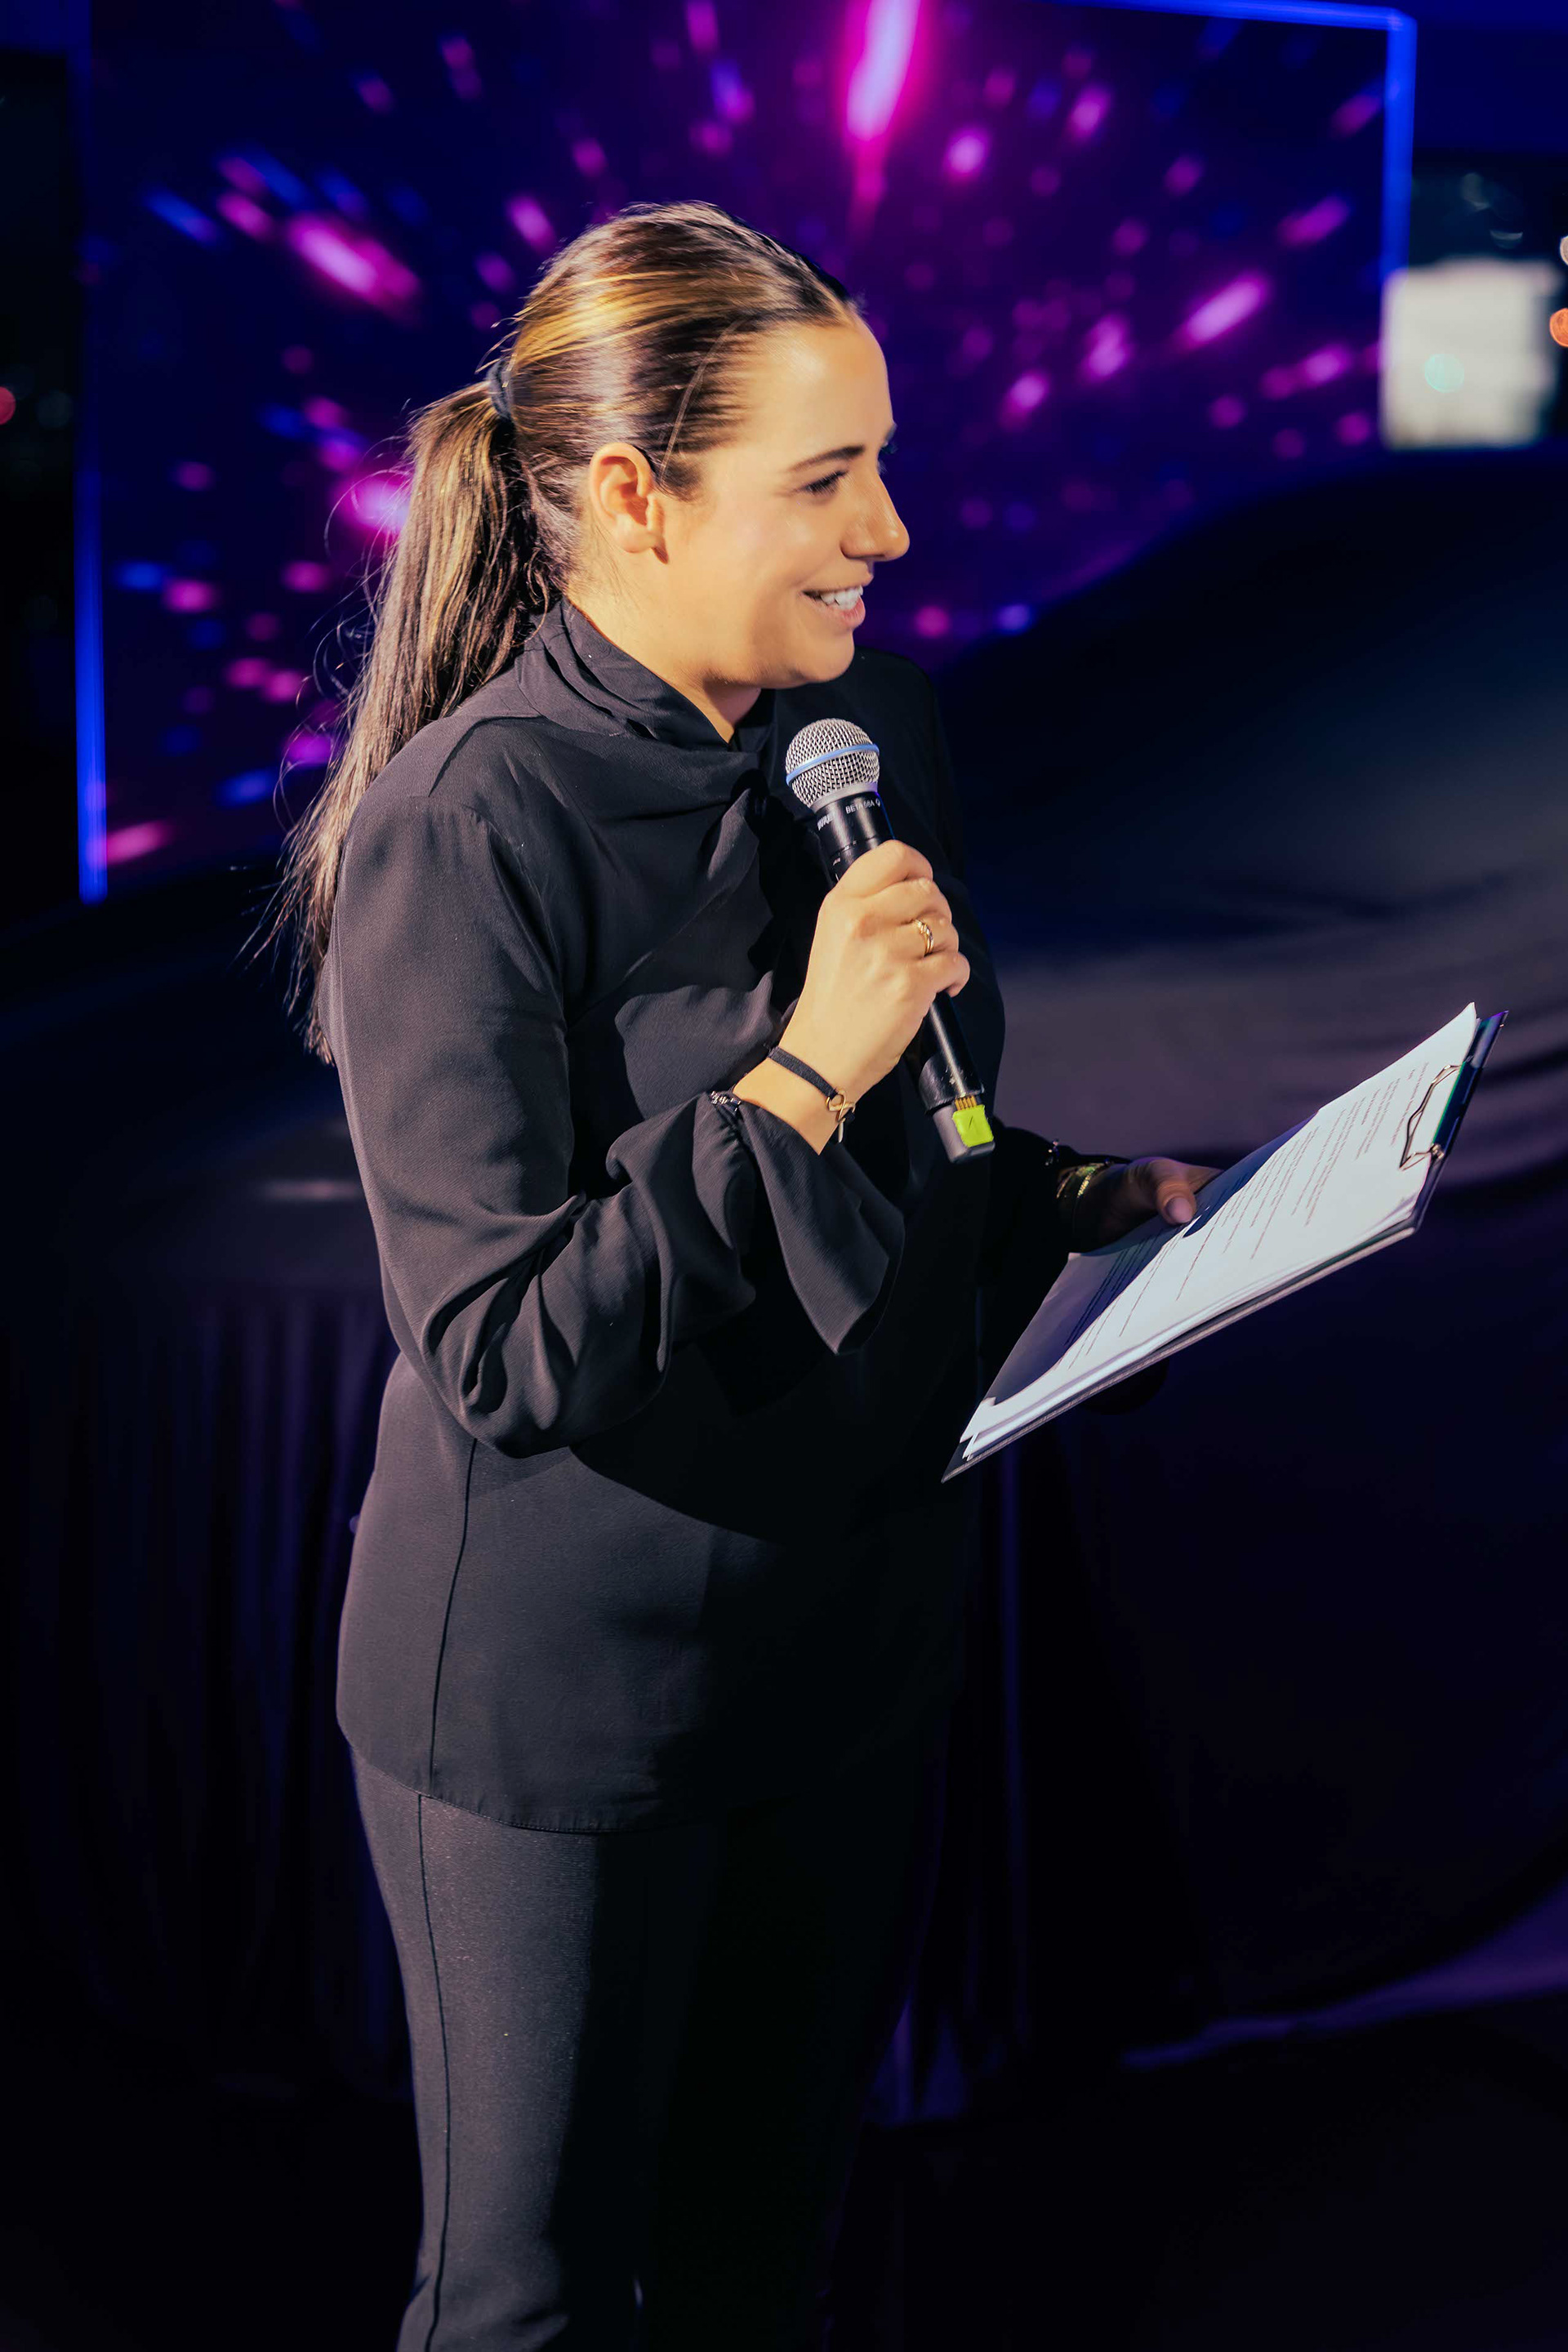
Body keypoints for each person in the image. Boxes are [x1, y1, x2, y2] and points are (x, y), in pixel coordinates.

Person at [271, 198, 1214, 2351]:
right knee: (528, 2307)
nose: (889, 530)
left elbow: (928, 1145)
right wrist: (799, 1072)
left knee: (753, 2277)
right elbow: (507, 1353)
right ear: (632, 496)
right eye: (827, 478)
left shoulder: (866, 732)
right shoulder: (466, 825)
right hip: (566, 1697)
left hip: (845, 1646)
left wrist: (1092, 1206)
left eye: (884, 464)